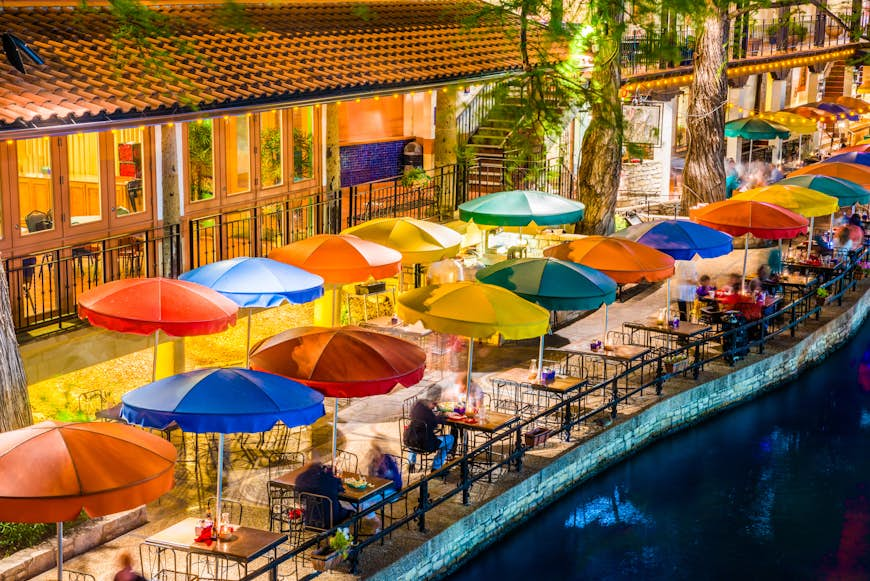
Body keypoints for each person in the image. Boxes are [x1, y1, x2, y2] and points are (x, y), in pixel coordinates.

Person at [295, 453, 352, 525]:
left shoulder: (302, 478)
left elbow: (299, 495)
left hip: (310, 520)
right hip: (331, 521)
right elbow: (342, 491)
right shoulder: (331, 480)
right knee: (350, 510)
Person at [403, 399, 454, 471]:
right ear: (426, 406)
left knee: (415, 437)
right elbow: (437, 422)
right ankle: (436, 467)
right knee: (450, 438)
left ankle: (411, 463)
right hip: (425, 444)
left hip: (409, 441)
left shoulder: (414, 413)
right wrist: (444, 415)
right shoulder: (428, 415)